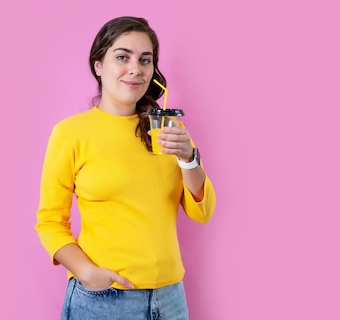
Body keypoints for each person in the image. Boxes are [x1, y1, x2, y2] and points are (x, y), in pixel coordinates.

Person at [35, 16, 216, 320]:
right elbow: (49, 221)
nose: (136, 69)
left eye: (145, 60)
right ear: (97, 66)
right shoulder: (70, 134)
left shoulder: (166, 130)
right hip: (103, 299)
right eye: (122, 57)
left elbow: (203, 211)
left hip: (170, 297)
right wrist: (87, 272)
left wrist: (189, 157)